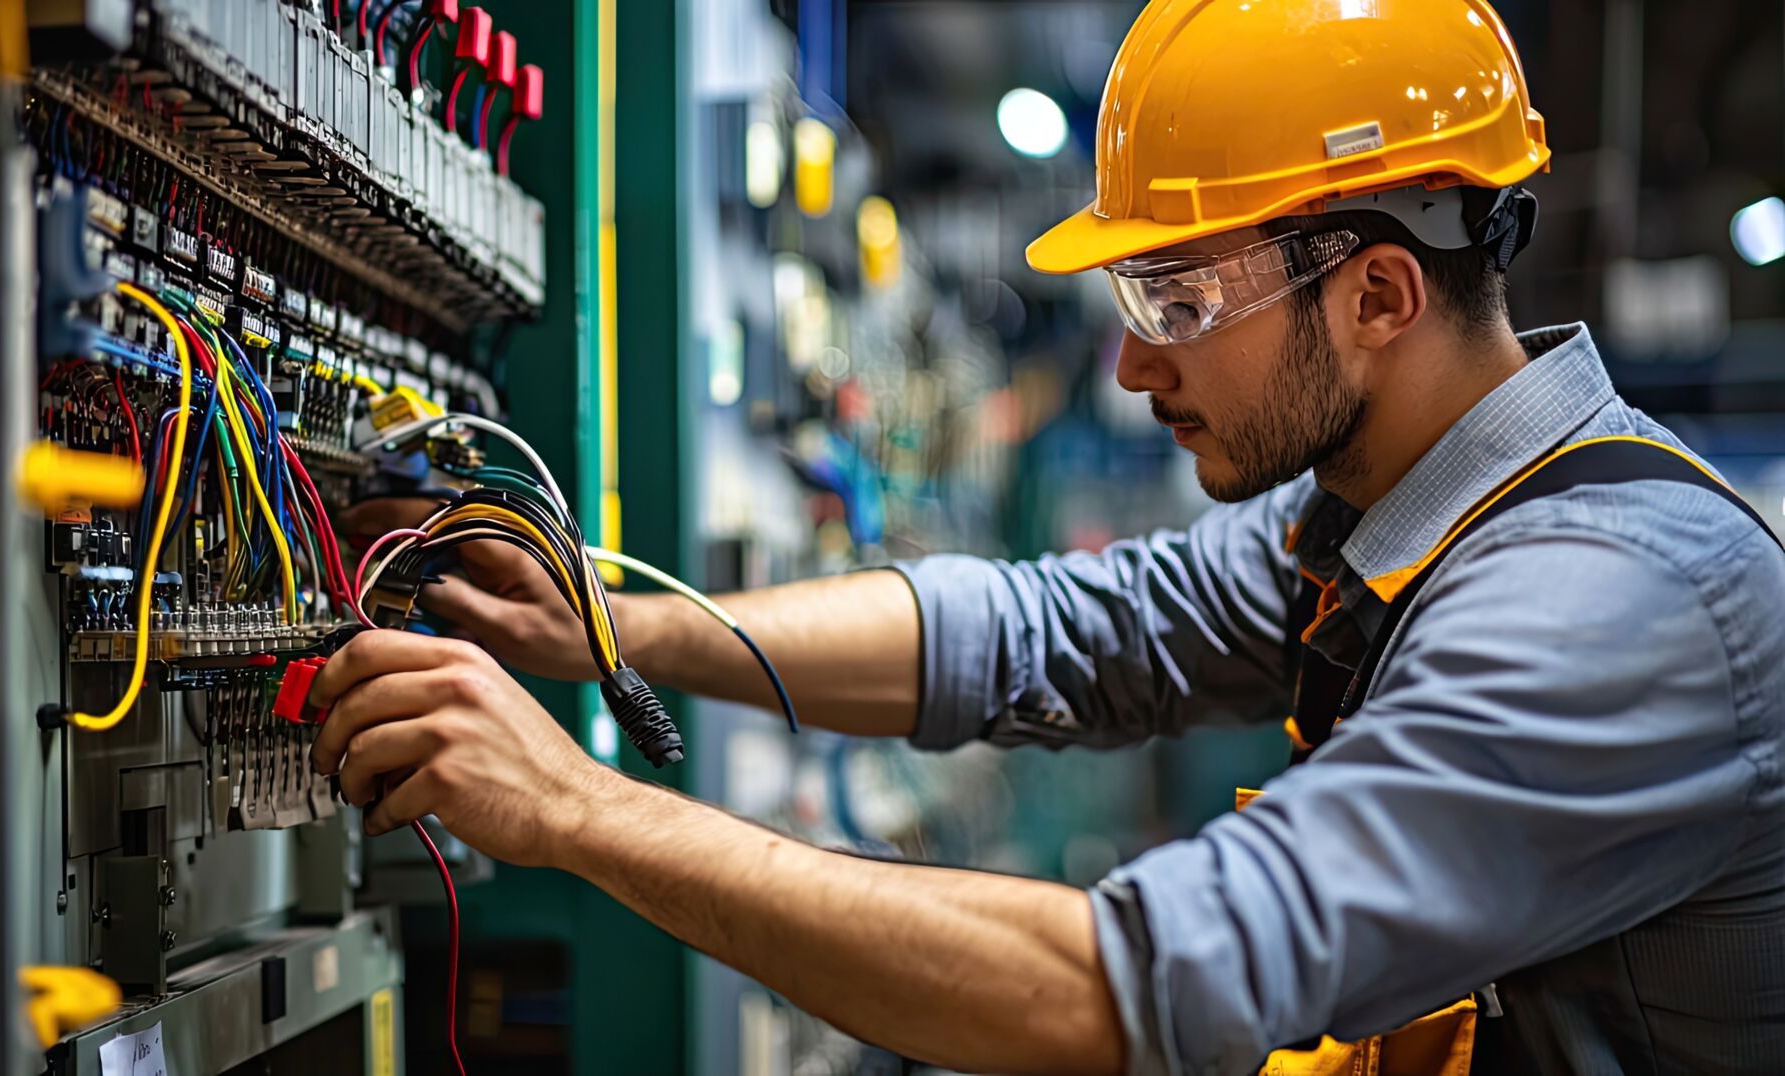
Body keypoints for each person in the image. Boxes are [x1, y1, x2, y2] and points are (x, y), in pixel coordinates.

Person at [310, 1, 1785, 1071]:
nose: (1136, 367)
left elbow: (1131, 988)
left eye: (1181, 305)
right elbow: (1067, 631)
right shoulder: (1383, 516)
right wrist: (618, 627)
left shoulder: (1615, 607)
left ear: (1382, 298)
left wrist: (580, 809)